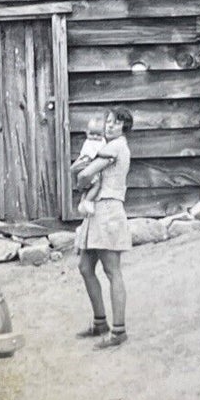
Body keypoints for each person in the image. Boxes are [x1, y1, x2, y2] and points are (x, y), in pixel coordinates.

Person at [74, 107, 133, 348]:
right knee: (85, 266)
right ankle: (100, 322)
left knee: (112, 270)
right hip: (96, 211)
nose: (110, 126)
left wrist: (80, 179)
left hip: (108, 209)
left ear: (124, 128)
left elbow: (85, 173)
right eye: (108, 122)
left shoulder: (117, 146)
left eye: (116, 123)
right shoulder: (105, 147)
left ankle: (119, 331)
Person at [71, 112, 108, 216]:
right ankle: (88, 201)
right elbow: (94, 156)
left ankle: (83, 201)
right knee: (97, 185)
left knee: (87, 187)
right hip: (87, 164)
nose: (95, 137)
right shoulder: (93, 143)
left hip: (83, 165)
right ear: (86, 132)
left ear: (103, 133)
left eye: (98, 134)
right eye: (92, 134)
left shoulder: (93, 141)